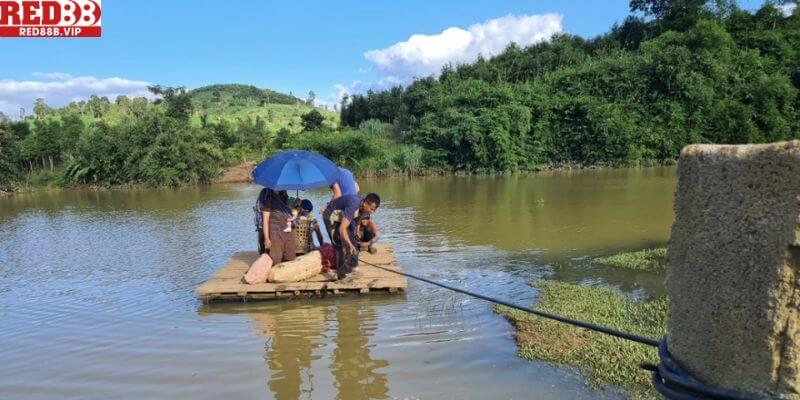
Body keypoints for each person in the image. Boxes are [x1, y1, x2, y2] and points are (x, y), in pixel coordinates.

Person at [324, 193, 381, 280]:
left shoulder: (364, 206)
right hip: (330, 216)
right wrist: (348, 244)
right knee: (339, 246)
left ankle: (354, 268)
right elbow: (342, 228)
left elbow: (359, 217)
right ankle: (341, 276)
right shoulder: (353, 204)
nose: (372, 212)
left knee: (354, 241)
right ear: (365, 204)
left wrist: (357, 230)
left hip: (341, 217)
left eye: (374, 210)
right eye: (371, 209)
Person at [255, 188, 296, 264]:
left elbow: (289, 212)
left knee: (290, 257)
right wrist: (267, 239)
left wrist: (295, 213)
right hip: (275, 232)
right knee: (275, 259)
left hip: (288, 231)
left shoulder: (284, 194)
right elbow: (265, 220)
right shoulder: (268, 197)